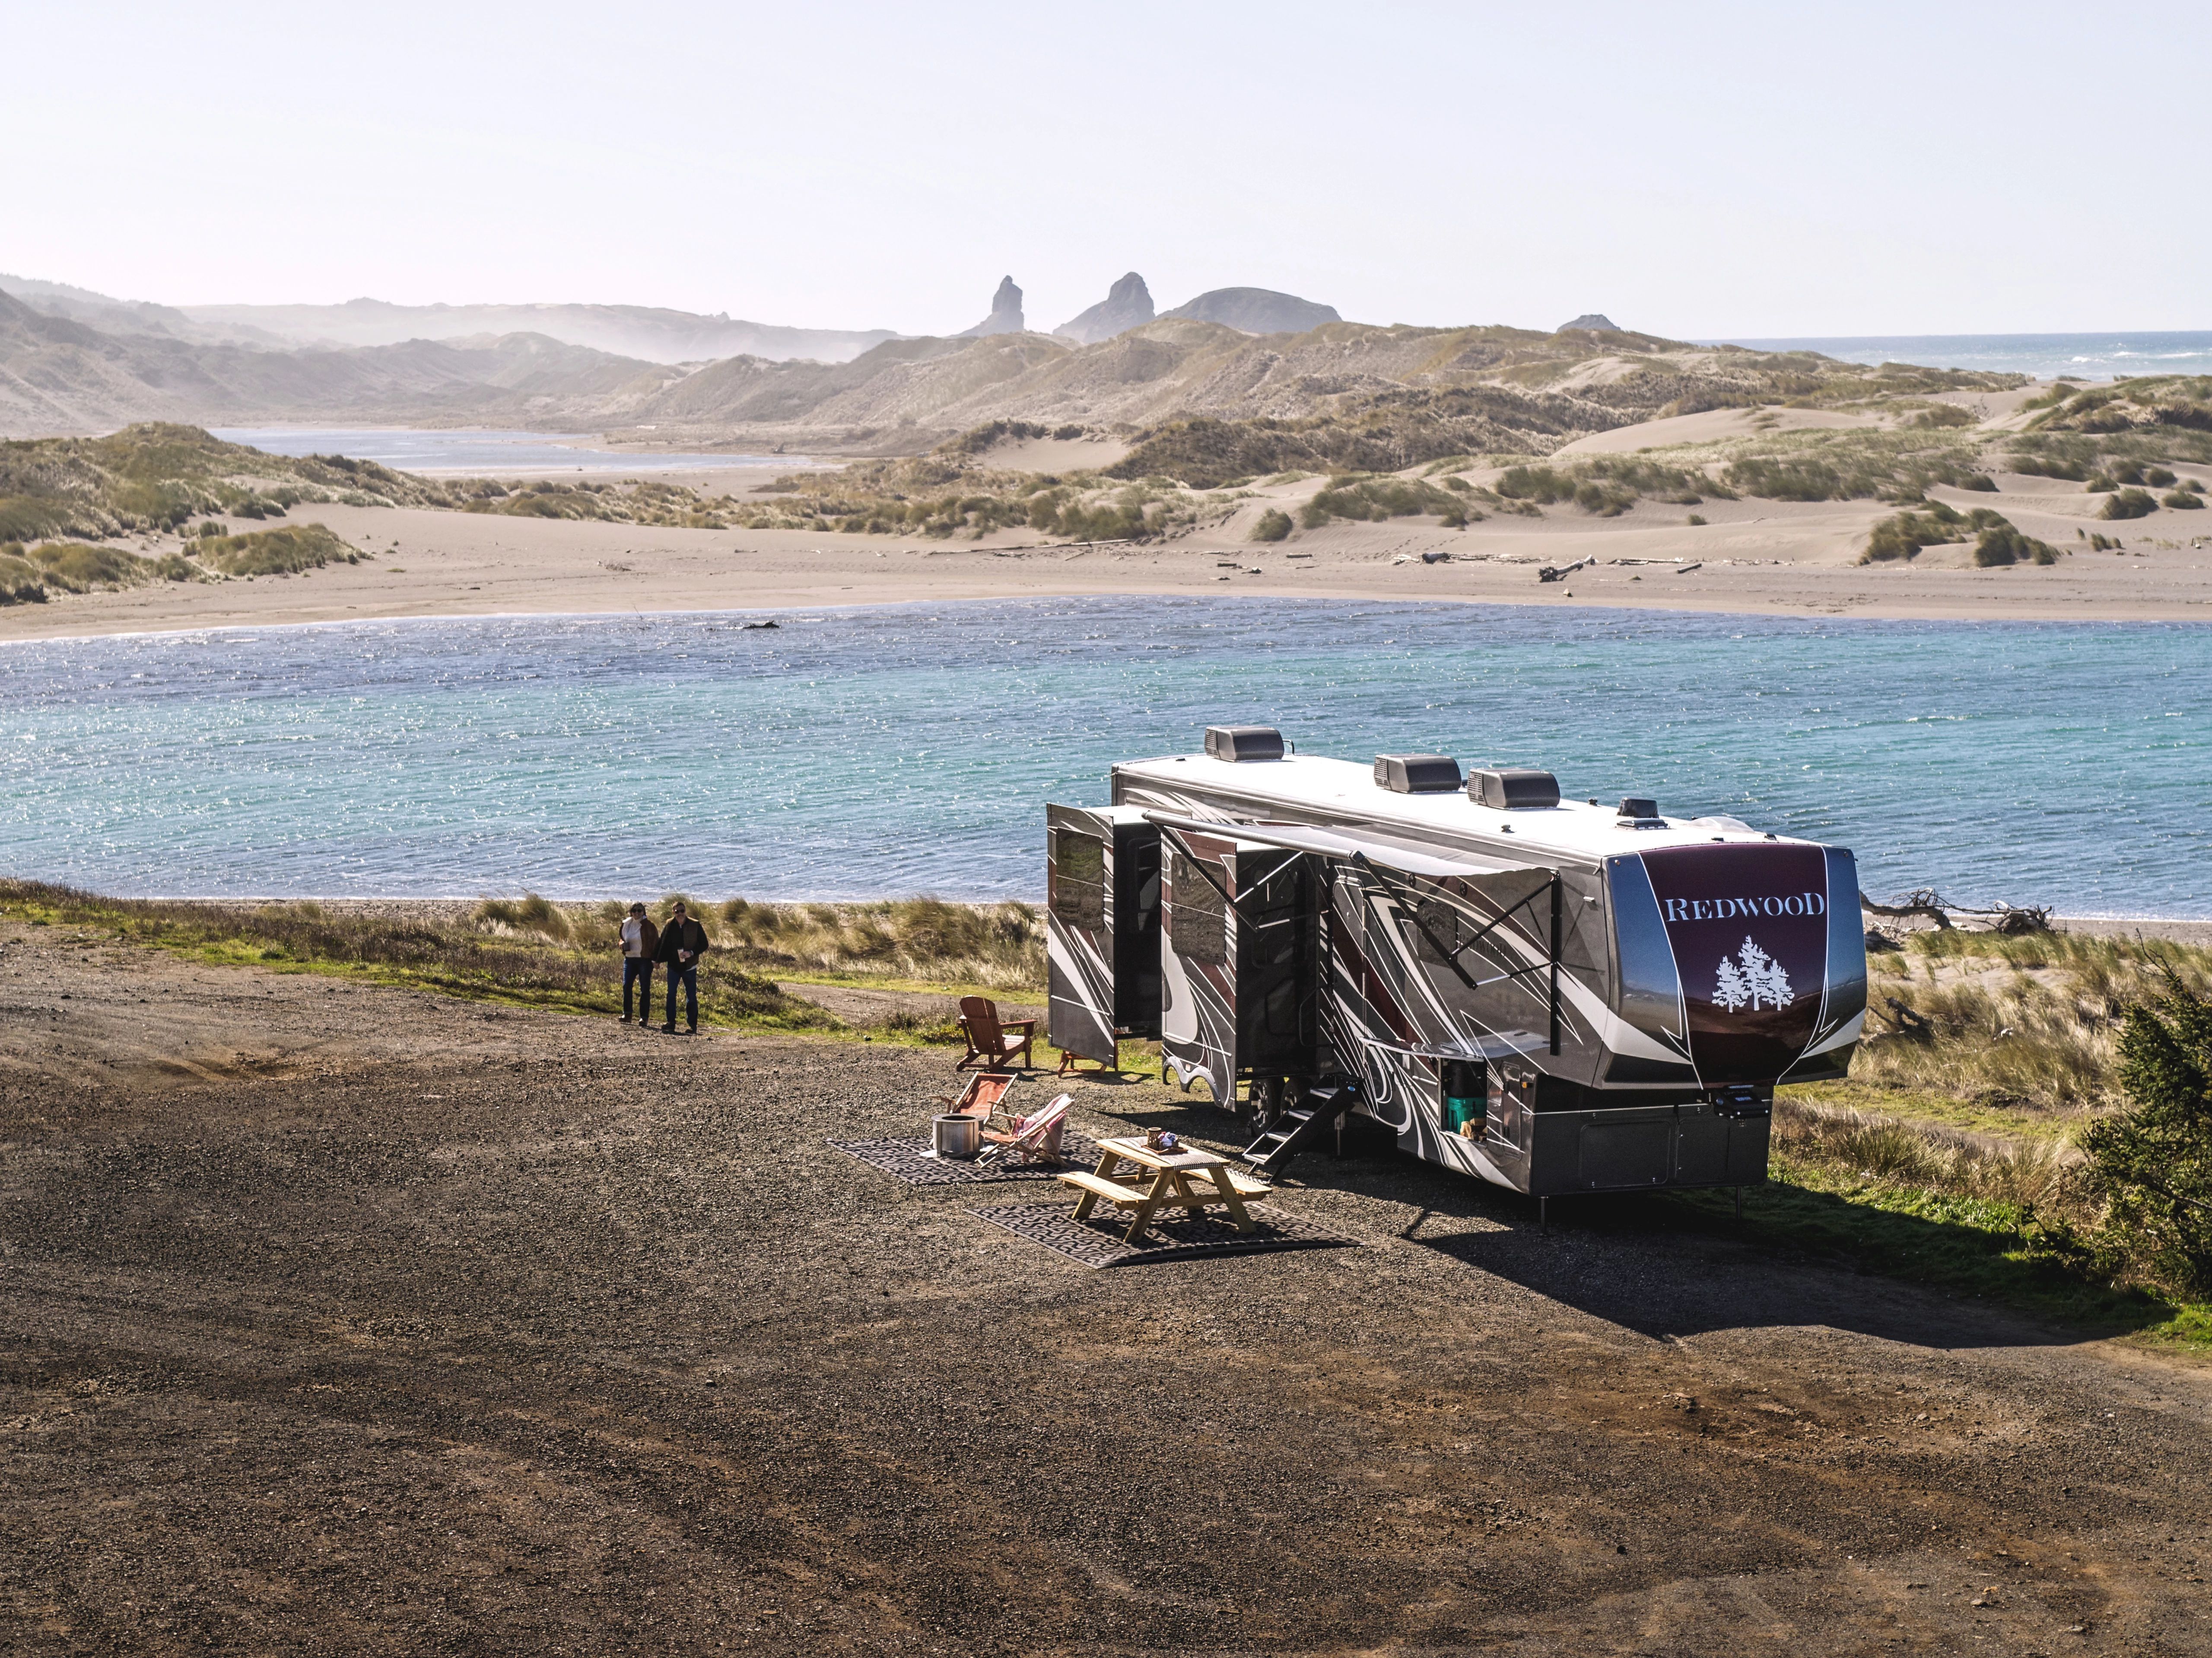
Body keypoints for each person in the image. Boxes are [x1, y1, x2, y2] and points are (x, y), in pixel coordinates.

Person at [655, 900, 712, 1034]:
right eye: (677, 911)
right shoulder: (670, 924)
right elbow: (663, 942)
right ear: (673, 913)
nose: (680, 914)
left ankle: (693, 1026)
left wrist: (691, 953)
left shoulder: (695, 924)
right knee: (671, 995)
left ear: (685, 911)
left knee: (691, 996)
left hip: (690, 967)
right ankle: (671, 1023)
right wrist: (657, 960)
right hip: (674, 966)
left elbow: (704, 944)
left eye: (682, 911)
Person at [619, 902, 659, 1024]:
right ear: (631, 912)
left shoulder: (649, 926)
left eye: (640, 911)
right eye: (634, 911)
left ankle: (644, 1017)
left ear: (644, 912)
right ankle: (627, 1014)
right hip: (630, 959)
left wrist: (655, 960)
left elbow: (656, 943)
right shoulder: (627, 924)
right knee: (627, 986)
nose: (637, 913)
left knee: (645, 988)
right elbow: (622, 937)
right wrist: (621, 944)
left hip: (644, 960)